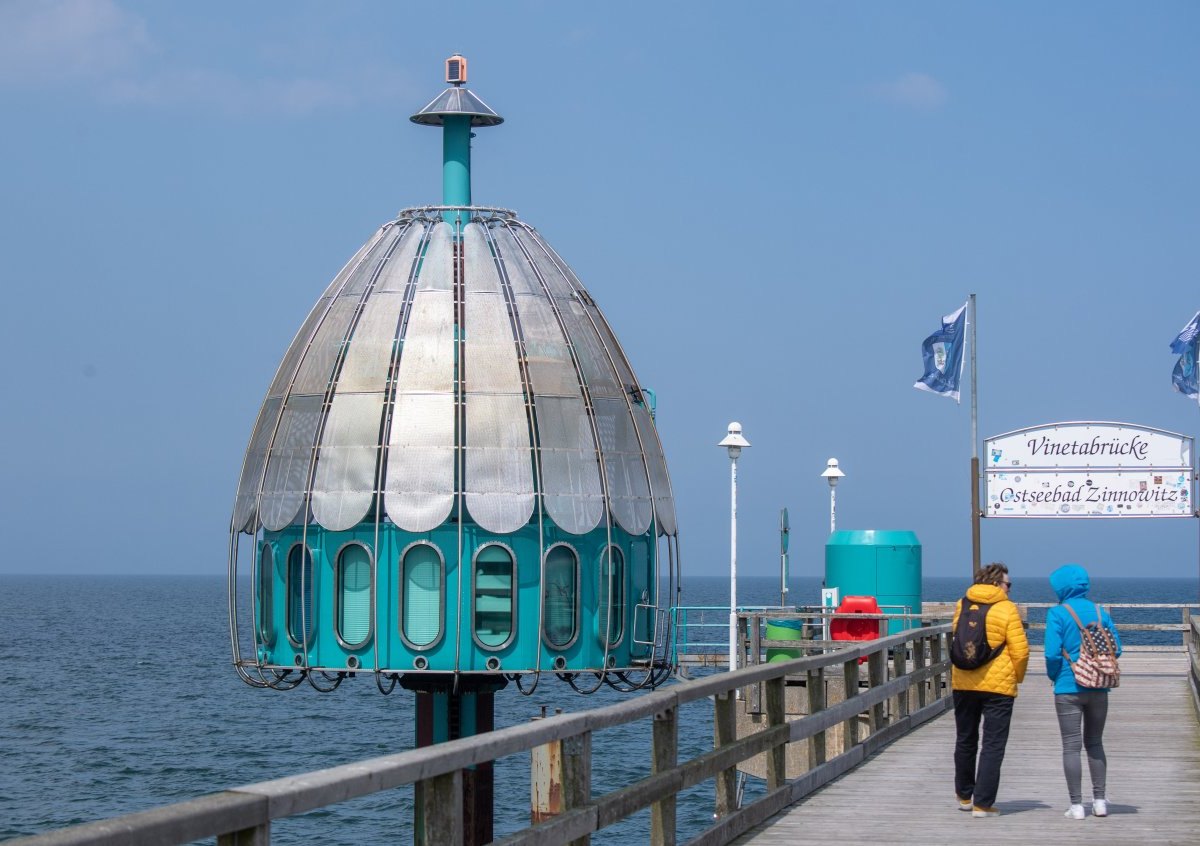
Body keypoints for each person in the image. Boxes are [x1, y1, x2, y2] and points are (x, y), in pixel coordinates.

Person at [1044, 563, 1122, 820]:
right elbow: (1116, 649)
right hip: (1099, 687)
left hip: (1068, 686)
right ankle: (1100, 801)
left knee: (1071, 746)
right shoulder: (1100, 612)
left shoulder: (1057, 613)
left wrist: (1055, 675)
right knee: (1095, 743)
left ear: (1061, 587)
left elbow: (1052, 654)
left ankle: (1076, 806)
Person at [952, 562, 1029, 818]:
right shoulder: (1007, 609)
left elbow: (957, 640)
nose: (1009, 589)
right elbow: (1020, 651)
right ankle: (982, 803)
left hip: (963, 682)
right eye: (1008, 584)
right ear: (997, 584)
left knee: (965, 739)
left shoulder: (962, 604)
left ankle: (964, 796)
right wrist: (1016, 678)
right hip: (998, 687)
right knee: (993, 744)